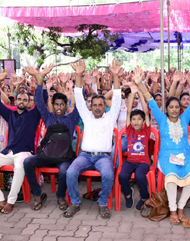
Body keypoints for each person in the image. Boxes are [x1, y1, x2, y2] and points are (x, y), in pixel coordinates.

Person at [136, 67, 190, 228]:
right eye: (171, 107)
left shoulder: (184, 118)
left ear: (180, 109)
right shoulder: (161, 119)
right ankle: (172, 210)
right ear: (166, 109)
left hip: (185, 156)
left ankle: (180, 207)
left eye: (176, 107)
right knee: (171, 176)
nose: (174, 109)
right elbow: (150, 100)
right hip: (166, 157)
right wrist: (140, 84)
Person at [0, 68, 45, 214]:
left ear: (29, 103)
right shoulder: (10, 114)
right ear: (15, 101)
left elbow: (42, 100)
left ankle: (10, 201)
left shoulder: (33, 115)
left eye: (25, 100)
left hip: (24, 153)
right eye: (19, 99)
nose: (22, 101)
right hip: (8, 152)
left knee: (20, 166)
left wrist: (38, 77)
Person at [64, 59, 121, 219]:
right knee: (70, 172)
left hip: (103, 157)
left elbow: (116, 99)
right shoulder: (86, 116)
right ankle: (74, 202)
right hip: (85, 155)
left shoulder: (110, 118)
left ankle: (103, 203)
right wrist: (79, 75)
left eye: (100, 105)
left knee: (109, 175)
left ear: (105, 107)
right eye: (94, 105)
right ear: (91, 107)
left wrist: (115, 76)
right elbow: (78, 96)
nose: (97, 107)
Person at [23, 65, 80, 211]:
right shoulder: (48, 117)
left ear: (66, 105)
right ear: (53, 105)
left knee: (63, 171)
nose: (59, 107)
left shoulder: (72, 119)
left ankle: (60, 196)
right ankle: (37, 194)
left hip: (64, 157)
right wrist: (40, 78)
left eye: (62, 104)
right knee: (28, 162)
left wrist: (78, 82)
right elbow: (39, 101)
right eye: (56, 104)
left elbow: (80, 104)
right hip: (47, 155)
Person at [118, 69, 150, 211]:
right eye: (134, 120)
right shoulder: (129, 129)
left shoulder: (146, 130)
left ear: (143, 122)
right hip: (130, 161)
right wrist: (132, 93)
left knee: (140, 176)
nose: (136, 121)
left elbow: (145, 109)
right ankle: (128, 194)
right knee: (122, 176)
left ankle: (144, 196)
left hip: (143, 162)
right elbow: (129, 111)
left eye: (139, 119)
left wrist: (140, 93)